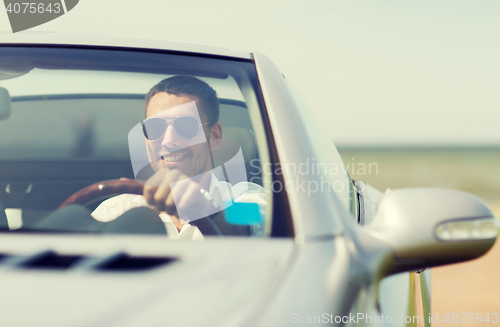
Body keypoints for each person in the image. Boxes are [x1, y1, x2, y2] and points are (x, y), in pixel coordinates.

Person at [92, 76, 266, 239]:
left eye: (186, 126)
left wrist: (206, 209)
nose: (169, 141)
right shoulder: (116, 210)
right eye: (154, 127)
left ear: (214, 136)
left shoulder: (244, 197)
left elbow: (251, 225)